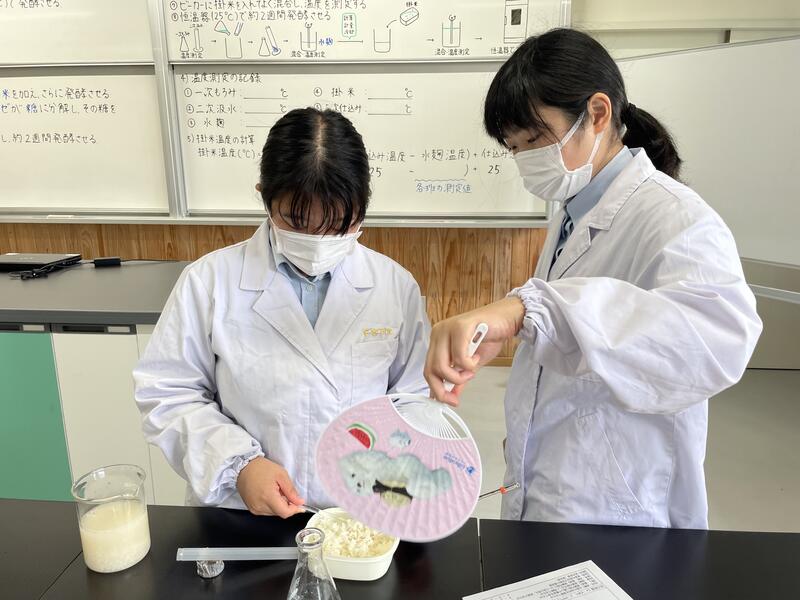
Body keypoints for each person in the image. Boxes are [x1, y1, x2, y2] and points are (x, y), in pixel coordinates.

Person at [424, 29, 762, 529]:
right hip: (558, 480)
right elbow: (573, 335)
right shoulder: (572, 211)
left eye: (534, 139)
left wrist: (528, 310)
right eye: (514, 147)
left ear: (598, 113)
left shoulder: (677, 217)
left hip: (621, 502)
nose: (525, 159)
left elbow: (718, 341)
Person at [134, 108, 430, 517]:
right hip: (240, 510)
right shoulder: (209, 282)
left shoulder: (394, 287)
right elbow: (168, 392)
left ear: (363, 205)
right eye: (296, 220)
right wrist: (239, 465)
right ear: (264, 196)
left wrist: (394, 459)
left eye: (338, 224)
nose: (317, 239)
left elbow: (412, 397)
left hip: (357, 510)